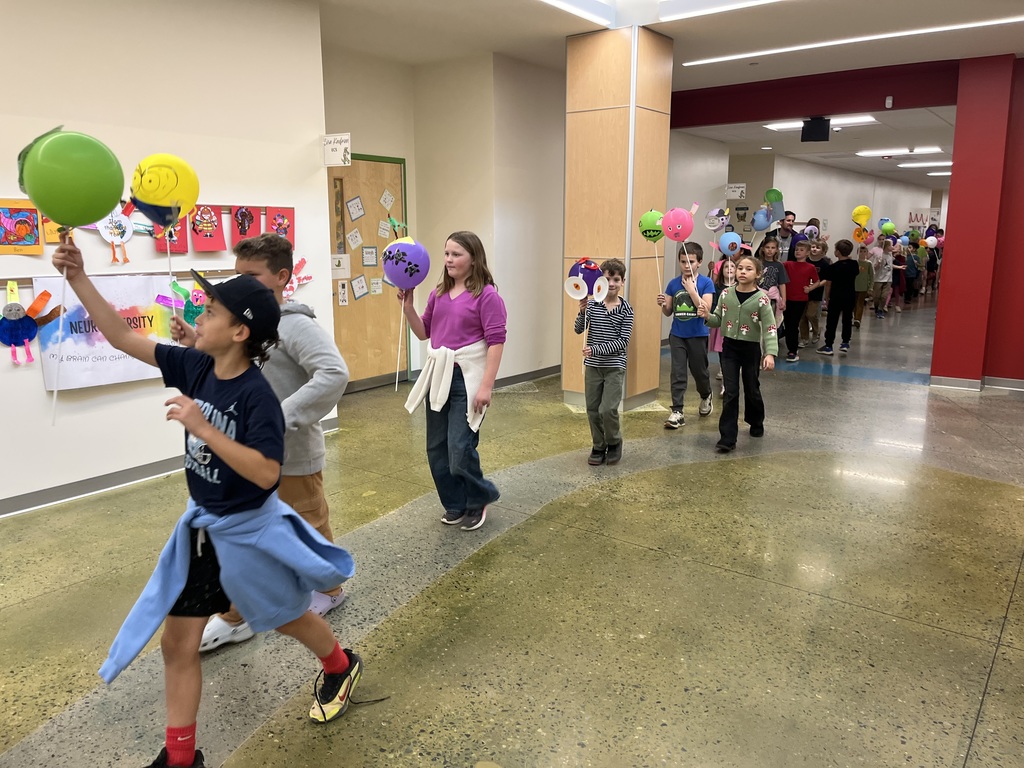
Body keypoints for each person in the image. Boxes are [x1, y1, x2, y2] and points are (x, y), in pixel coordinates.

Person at [51, 236, 361, 768]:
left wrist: (203, 428)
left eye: (211, 311)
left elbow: (266, 473)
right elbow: (123, 336)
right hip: (202, 533)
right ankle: (180, 758)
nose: (200, 314)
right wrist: (78, 276)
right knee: (177, 644)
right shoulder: (196, 367)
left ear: (239, 332)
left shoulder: (259, 397)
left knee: (286, 615)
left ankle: (339, 664)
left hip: (249, 532)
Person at [169, 233, 351, 652]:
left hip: (293, 457)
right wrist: (194, 343)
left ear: (282, 276)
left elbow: (334, 373)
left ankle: (331, 590)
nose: (240, 283)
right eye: (237, 274)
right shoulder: (246, 325)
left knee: (308, 526)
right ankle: (237, 615)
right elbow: (235, 365)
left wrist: (278, 417)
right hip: (245, 458)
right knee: (241, 536)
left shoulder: (295, 324)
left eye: (251, 275)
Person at [401, 231, 507, 530]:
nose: (448, 259)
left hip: (466, 378)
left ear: (473, 259)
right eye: (446, 253)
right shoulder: (438, 294)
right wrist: (407, 306)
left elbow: (496, 342)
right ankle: (455, 503)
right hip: (439, 376)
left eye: (456, 254)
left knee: (459, 448)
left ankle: (479, 497)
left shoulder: (487, 296)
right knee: (436, 447)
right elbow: (424, 333)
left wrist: (486, 386)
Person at [698, 254, 777, 453]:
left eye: (748, 269)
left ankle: (756, 420)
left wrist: (770, 353)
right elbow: (717, 319)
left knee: (752, 388)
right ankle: (727, 437)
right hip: (729, 349)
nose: (742, 272)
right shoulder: (726, 294)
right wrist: (707, 316)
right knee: (730, 392)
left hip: (751, 349)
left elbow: (770, 327)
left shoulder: (762, 299)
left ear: (758, 274)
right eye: (740, 268)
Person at [573, 258, 634, 465]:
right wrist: (582, 312)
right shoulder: (592, 304)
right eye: (607, 279)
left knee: (607, 409)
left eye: (616, 279)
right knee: (592, 409)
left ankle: (614, 442)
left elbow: (622, 342)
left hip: (614, 366)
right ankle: (598, 445)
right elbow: (578, 329)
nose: (612, 283)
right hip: (593, 366)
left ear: (623, 281)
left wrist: (595, 349)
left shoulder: (626, 310)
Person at [657, 242, 715, 429]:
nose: (687, 266)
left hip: (698, 335)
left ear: (699, 262)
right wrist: (663, 304)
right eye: (683, 262)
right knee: (678, 372)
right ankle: (677, 411)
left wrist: (691, 290)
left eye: (691, 262)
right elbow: (668, 312)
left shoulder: (706, 283)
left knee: (699, 371)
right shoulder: (673, 284)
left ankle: (706, 395)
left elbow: (705, 309)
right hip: (677, 335)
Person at [781, 240, 822, 362]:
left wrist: (810, 288)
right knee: (788, 324)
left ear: (807, 253)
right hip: (787, 298)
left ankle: (792, 350)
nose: (798, 252)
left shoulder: (810, 267)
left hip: (800, 300)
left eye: (801, 250)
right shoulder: (788, 264)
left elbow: (817, 281)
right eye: (797, 250)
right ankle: (791, 347)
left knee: (793, 324)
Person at [817, 239, 860, 356]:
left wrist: (827, 298)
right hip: (850, 296)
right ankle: (845, 342)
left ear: (838, 252)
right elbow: (855, 272)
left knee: (832, 321)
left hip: (836, 297)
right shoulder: (854, 265)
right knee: (847, 319)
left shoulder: (833, 267)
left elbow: (828, 284)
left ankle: (829, 345)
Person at [708, 257, 736, 393]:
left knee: (733, 355)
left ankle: (731, 380)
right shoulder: (717, 287)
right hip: (721, 325)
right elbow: (713, 305)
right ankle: (726, 382)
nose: (729, 269)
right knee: (723, 355)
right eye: (726, 267)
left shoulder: (740, 286)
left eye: (732, 266)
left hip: (736, 326)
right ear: (721, 270)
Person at [800, 239, 829, 346]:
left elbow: (826, 279)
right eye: (813, 247)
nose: (814, 249)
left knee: (810, 314)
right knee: (802, 316)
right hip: (803, 291)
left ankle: (816, 331)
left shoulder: (824, 264)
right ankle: (804, 337)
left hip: (816, 293)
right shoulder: (805, 261)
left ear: (823, 251)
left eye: (818, 247)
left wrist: (815, 286)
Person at [756, 236, 788, 324]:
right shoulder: (757, 263)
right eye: (767, 247)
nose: (770, 250)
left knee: (770, 321)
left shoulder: (779, 265)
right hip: (757, 296)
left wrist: (783, 300)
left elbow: (782, 283)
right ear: (763, 249)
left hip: (772, 298)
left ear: (777, 250)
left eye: (773, 248)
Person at [870, 240, 894, 318]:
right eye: (891, 245)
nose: (892, 247)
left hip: (888, 279)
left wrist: (899, 267)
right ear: (887, 246)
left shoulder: (890, 255)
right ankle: (877, 308)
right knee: (876, 296)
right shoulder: (880, 255)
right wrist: (878, 263)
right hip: (878, 279)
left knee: (884, 296)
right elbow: (875, 268)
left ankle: (880, 310)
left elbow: (890, 265)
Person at [853, 244, 874, 328]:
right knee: (854, 303)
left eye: (864, 251)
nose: (862, 253)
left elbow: (871, 276)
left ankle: (858, 319)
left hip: (863, 287)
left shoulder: (868, 263)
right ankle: (855, 317)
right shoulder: (855, 263)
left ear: (867, 253)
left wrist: (870, 287)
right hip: (854, 286)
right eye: (860, 251)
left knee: (860, 303)